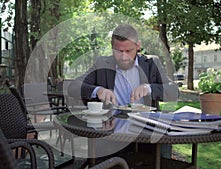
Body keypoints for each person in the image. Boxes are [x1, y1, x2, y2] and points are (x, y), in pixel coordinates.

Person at [68, 24, 180, 159]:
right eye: (118, 51)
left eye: (128, 51)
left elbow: (173, 91)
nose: (123, 57)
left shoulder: (152, 63)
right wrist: (98, 90)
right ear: (112, 47)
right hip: (110, 132)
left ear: (138, 46)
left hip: (146, 132)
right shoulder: (102, 63)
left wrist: (149, 88)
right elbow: (73, 87)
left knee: (160, 153)